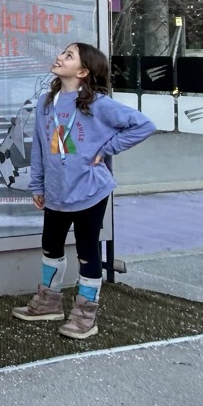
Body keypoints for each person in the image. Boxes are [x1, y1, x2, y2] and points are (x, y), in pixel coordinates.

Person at [12, 42, 155, 339]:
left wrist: (106, 149)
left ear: (82, 72)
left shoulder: (99, 104)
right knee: (50, 246)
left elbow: (143, 125)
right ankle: (49, 303)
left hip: (90, 191)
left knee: (87, 252)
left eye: (68, 56)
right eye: (63, 53)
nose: (59, 57)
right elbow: (39, 147)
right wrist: (37, 185)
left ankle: (85, 316)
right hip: (56, 191)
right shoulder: (46, 103)